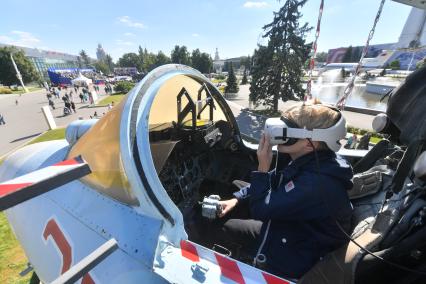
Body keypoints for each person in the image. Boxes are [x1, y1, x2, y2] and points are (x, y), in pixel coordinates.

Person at [217, 102, 353, 279]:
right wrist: (235, 199)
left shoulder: (316, 183)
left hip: (300, 252)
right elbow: (275, 180)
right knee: (236, 196)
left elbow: (260, 209)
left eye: (287, 132)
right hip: (295, 229)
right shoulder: (306, 159)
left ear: (311, 143)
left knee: (229, 227)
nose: (278, 136)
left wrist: (262, 167)